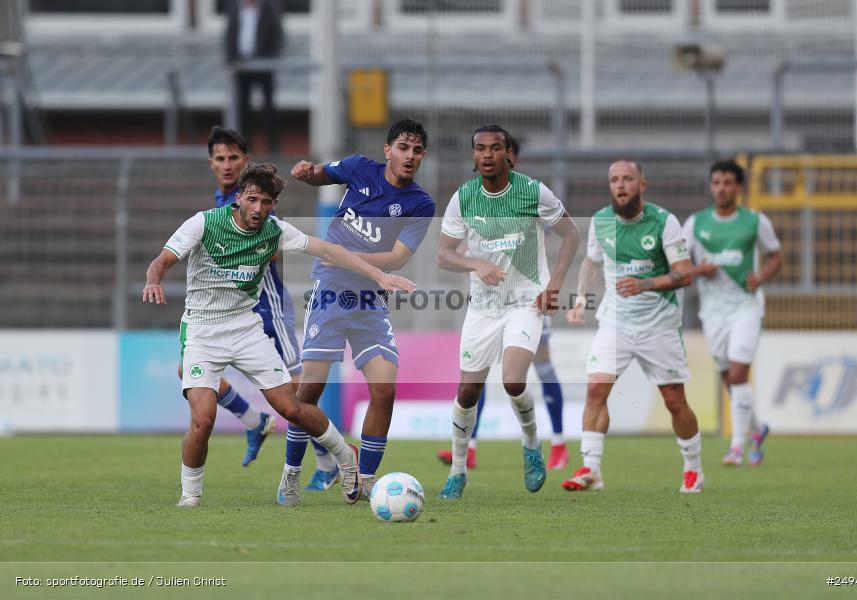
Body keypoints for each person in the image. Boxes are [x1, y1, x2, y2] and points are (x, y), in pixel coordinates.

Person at [143, 163, 415, 507]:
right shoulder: (205, 223)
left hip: (245, 329)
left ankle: (346, 457)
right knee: (203, 419)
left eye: (267, 202)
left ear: (274, 205)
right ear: (239, 197)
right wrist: (154, 280)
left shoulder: (275, 230)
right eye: (253, 199)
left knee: (293, 407)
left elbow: (329, 251)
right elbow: (162, 260)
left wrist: (377, 274)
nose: (259, 208)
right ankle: (190, 497)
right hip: (201, 332)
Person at [286, 118, 436, 502]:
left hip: (370, 299)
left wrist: (345, 256)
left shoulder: (421, 203)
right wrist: (307, 174)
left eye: (417, 150)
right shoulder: (358, 168)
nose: (410, 156)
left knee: (384, 389)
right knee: (309, 392)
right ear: (388, 150)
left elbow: (398, 258)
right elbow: (323, 174)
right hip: (331, 290)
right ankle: (291, 473)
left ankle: (364, 481)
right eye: (403, 148)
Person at [436, 125, 580, 500]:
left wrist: (555, 283)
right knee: (467, 392)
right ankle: (457, 471)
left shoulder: (534, 192)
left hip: (525, 301)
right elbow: (444, 254)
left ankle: (531, 446)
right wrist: (475, 264)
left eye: (495, 148)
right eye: (479, 148)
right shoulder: (463, 198)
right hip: (483, 307)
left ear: (507, 154)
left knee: (513, 380)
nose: (487, 155)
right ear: (473, 155)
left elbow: (571, 235)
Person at [202, 126, 342, 492]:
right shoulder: (220, 201)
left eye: (234, 157)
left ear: (246, 161)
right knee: (189, 369)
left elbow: (276, 246)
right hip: (224, 314)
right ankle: (253, 421)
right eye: (220, 158)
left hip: (267, 309)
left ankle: (330, 460)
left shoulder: (255, 197)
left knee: (296, 396)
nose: (227, 164)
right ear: (211, 163)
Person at [562, 160, 704, 493]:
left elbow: (685, 272)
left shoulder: (664, 222)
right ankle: (591, 468)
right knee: (596, 389)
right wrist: (581, 299)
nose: (621, 185)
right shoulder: (600, 221)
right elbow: (591, 262)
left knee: (674, 401)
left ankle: (693, 468)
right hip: (615, 323)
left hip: (659, 326)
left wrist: (646, 284)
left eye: (628, 179)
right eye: (614, 180)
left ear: (642, 184)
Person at [683, 160, 782, 467]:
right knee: (729, 378)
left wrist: (762, 277)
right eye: (716, 183)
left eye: (727, 182)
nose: (721, 188)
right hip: (713, 312)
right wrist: (701, 270)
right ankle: (757, 429)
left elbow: (776, 255)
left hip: (746, 306)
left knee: (739, 374)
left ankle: (737, 446)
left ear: (738, 187)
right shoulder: (695, 224)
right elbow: (680, 266)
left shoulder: (754, 221)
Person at [225, 0, 283, 153]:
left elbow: (277, 34)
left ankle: (273, 145)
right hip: (242, 65)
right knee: (243, 107)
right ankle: (245, 145)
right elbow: (230, 35)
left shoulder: (269, 8)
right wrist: (232, 59)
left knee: (268, 106)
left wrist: (271, 59)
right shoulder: (235, 8)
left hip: (264, 64)